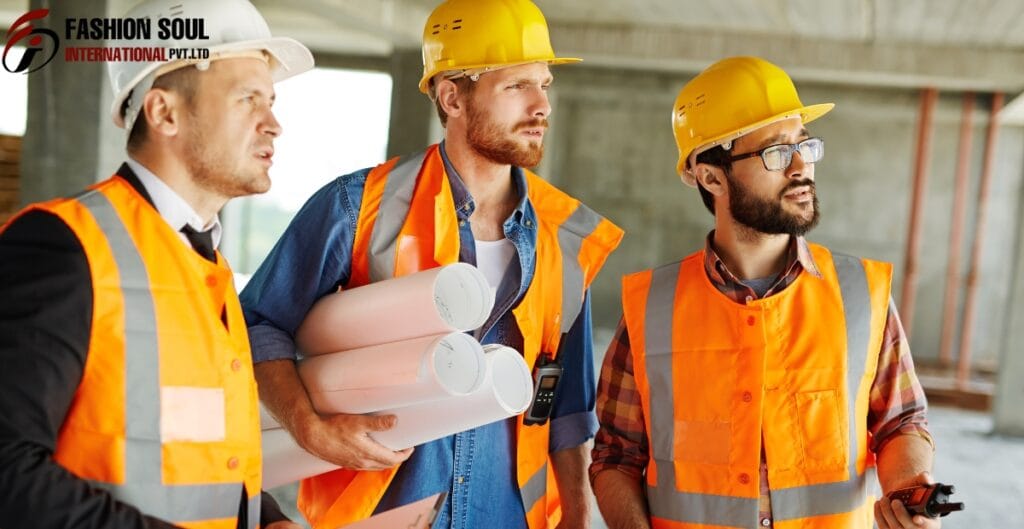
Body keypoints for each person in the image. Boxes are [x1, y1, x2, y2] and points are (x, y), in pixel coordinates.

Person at [239, 1, 623, 528]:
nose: (542, 106)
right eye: (517, 86)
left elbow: (568, 416)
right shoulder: (357, 210)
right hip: (375, 514)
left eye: (545, 84)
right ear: (452, 97)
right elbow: (256, 324)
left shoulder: (566, 238)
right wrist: (310, 427)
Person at [0, 1, 313, 528]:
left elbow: (198, 447)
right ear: (165, 112)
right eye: (247, 99)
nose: (274, 124)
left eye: (272, 100)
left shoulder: (203, 263)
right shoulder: (63, 245)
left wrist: (263, 517)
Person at [589, 56, 938, 529]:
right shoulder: (652, 307)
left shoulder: (861, 295)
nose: (801, 166)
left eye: (804, 145)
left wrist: (909, 489)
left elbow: (902, 424)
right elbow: (616, 455)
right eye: (776, 152)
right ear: (711, 176)